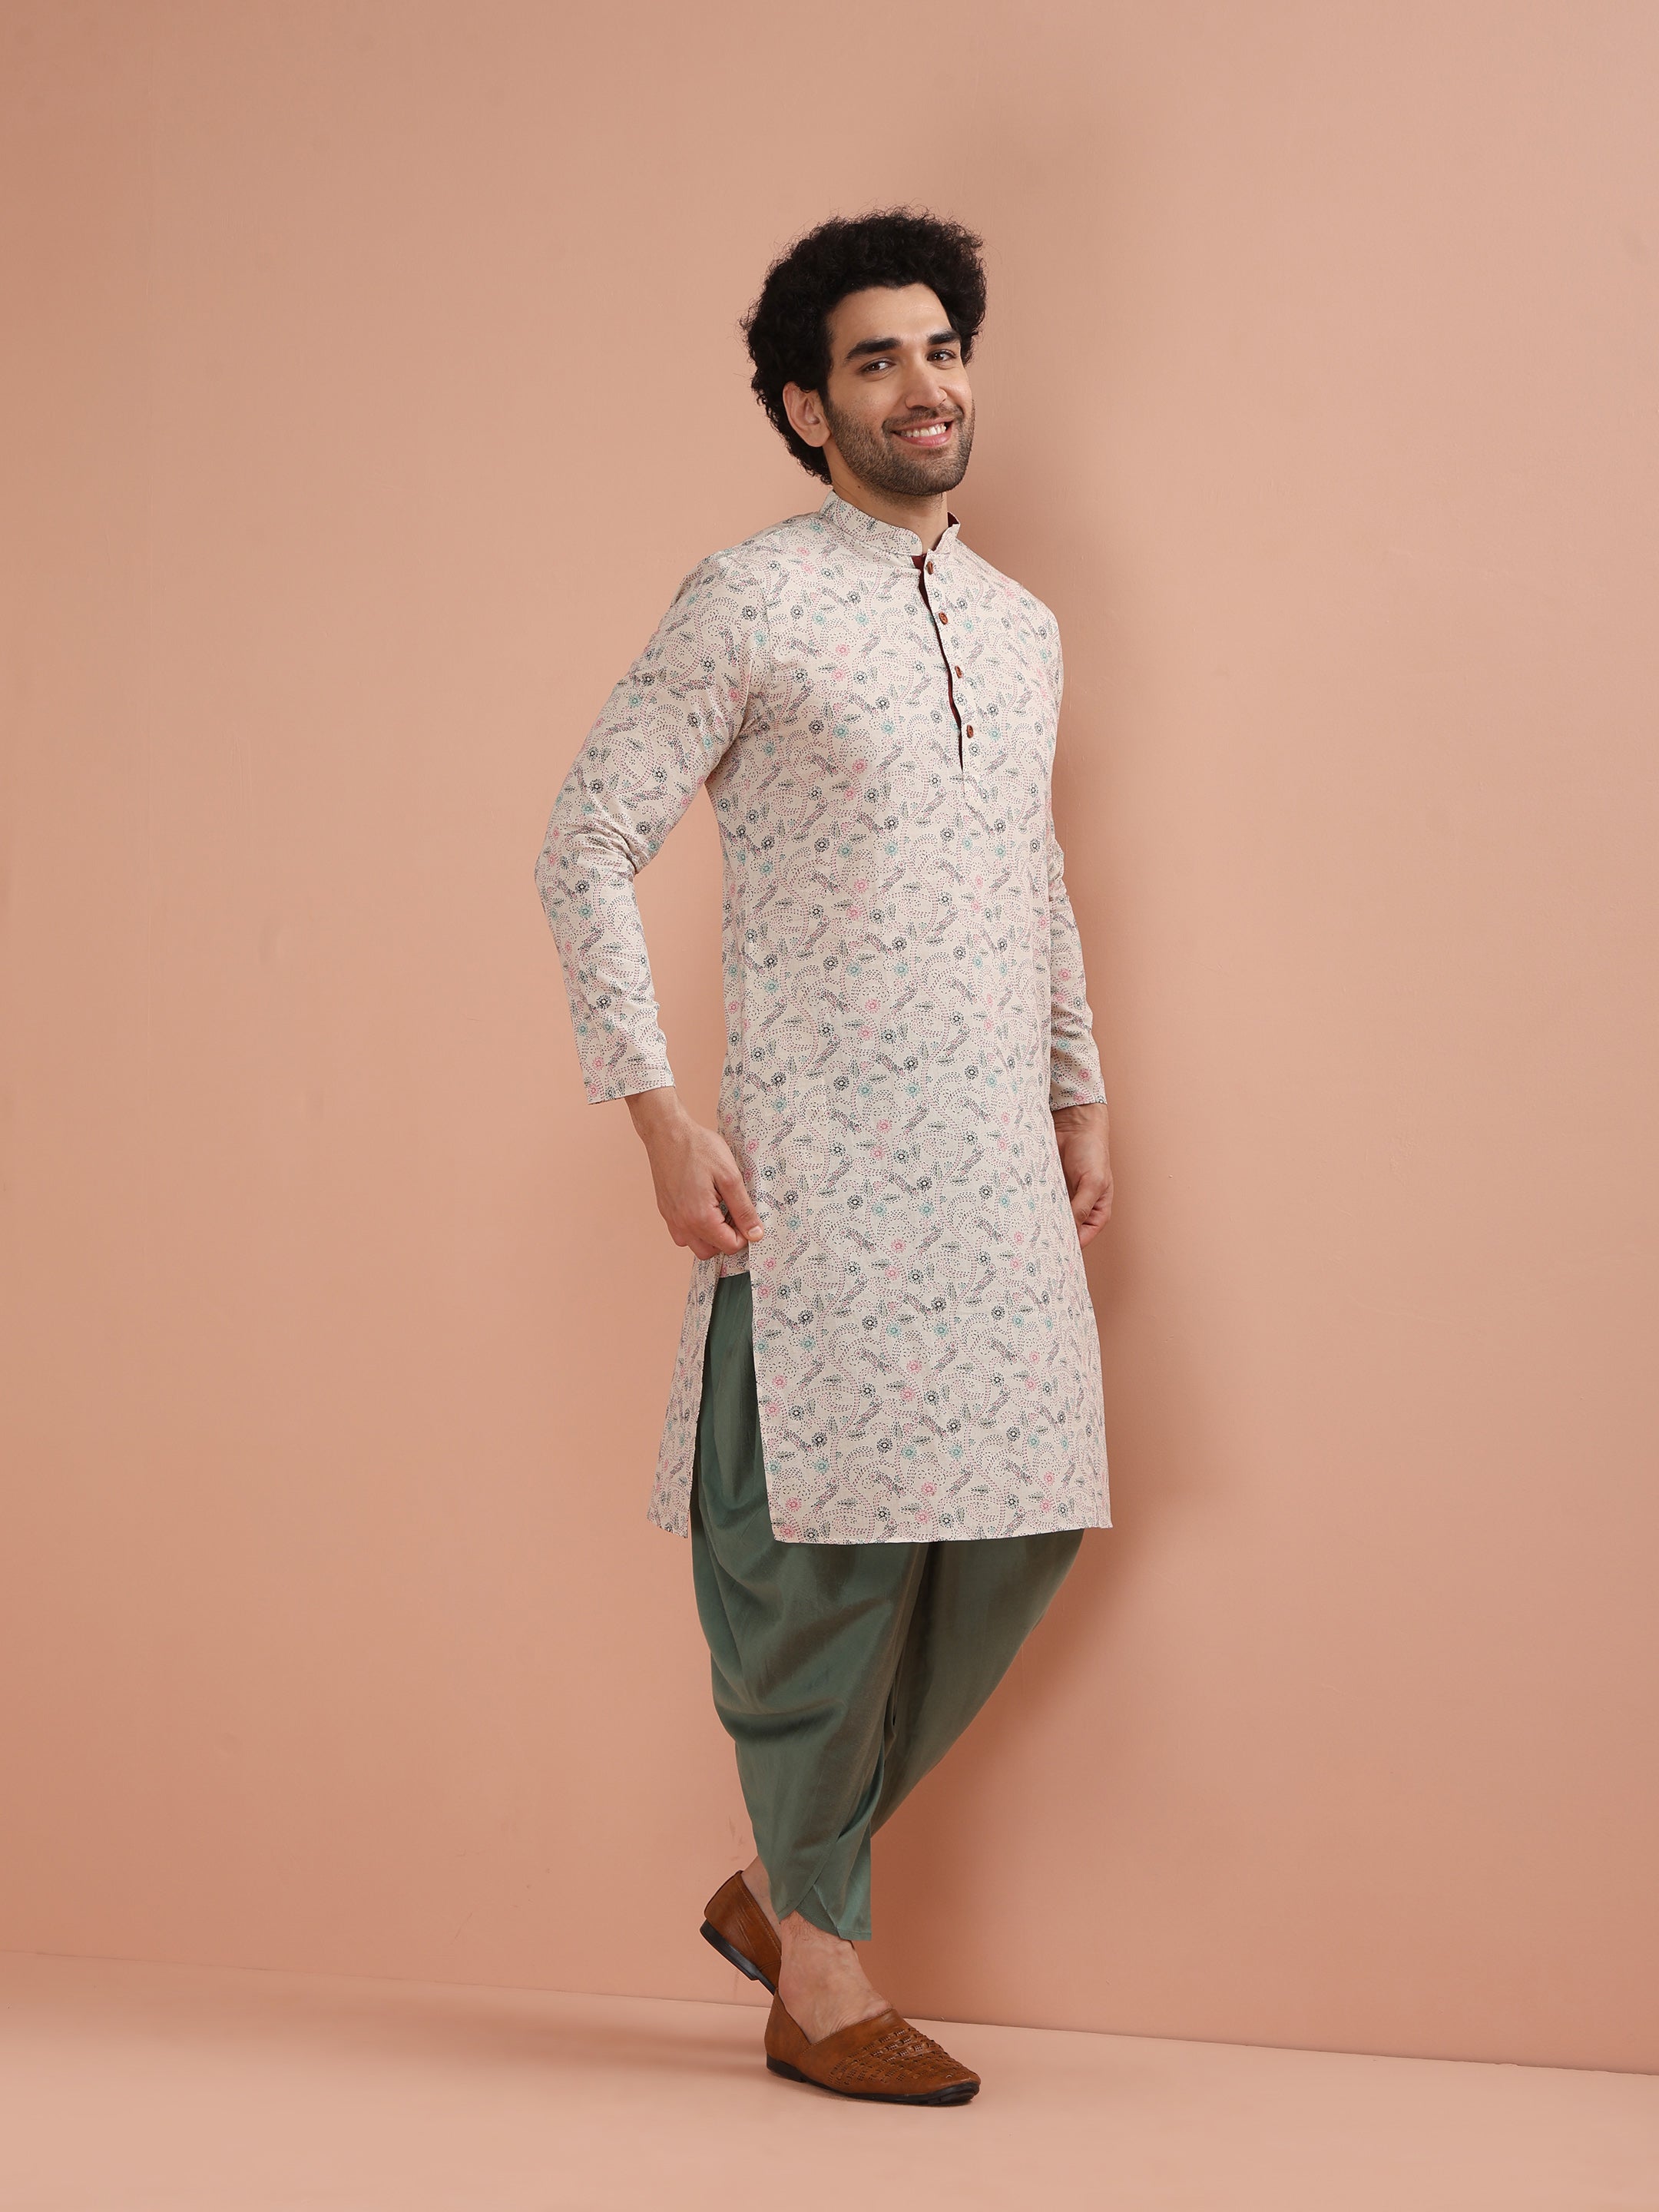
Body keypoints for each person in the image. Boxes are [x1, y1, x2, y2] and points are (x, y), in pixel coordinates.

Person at [535, 209, 1113, 2106]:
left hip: (993, 1160)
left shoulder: (1022, 626)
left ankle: (784, 1884)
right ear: (808, 407)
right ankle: (824, 1959)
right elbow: (582, 843)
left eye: (941, 348)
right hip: (822, 1168)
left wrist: (1079, 1085)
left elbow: (1030, 864)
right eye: (876, 360)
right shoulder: (751, 599)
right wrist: (656, 1113)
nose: (924, 385)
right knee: (821, 1571)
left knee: (1023, 1528)